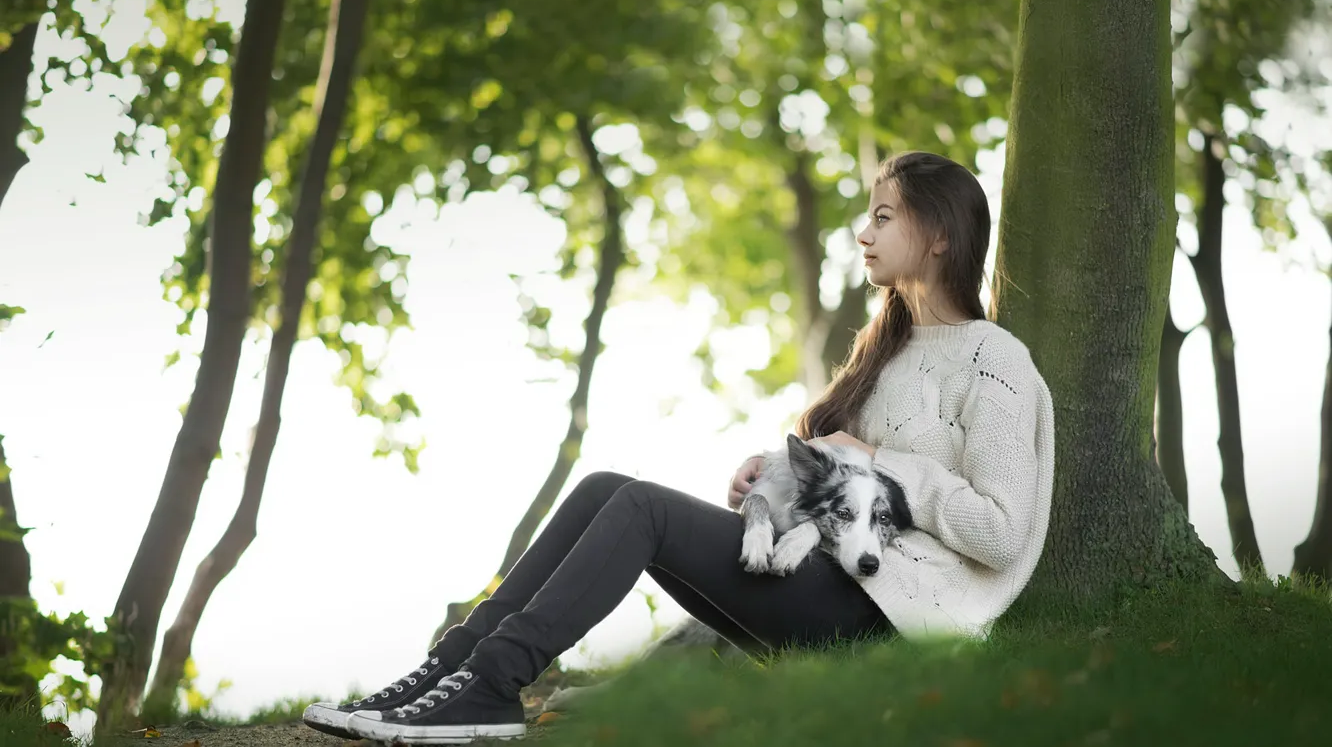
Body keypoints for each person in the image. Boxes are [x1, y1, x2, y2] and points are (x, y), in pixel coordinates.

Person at [303, 151, 1056, 744]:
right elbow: (840, 469)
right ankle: (452, 668)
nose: (864, 232)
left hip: (885, 620)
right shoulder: (883, 348)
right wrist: (773, 478)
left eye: (883, 217)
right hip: (814, 584)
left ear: (940, 236)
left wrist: (877, 463)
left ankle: (493, 686)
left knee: (642, 509)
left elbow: (1001, 529)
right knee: (604, 486)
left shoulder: (996, 361)